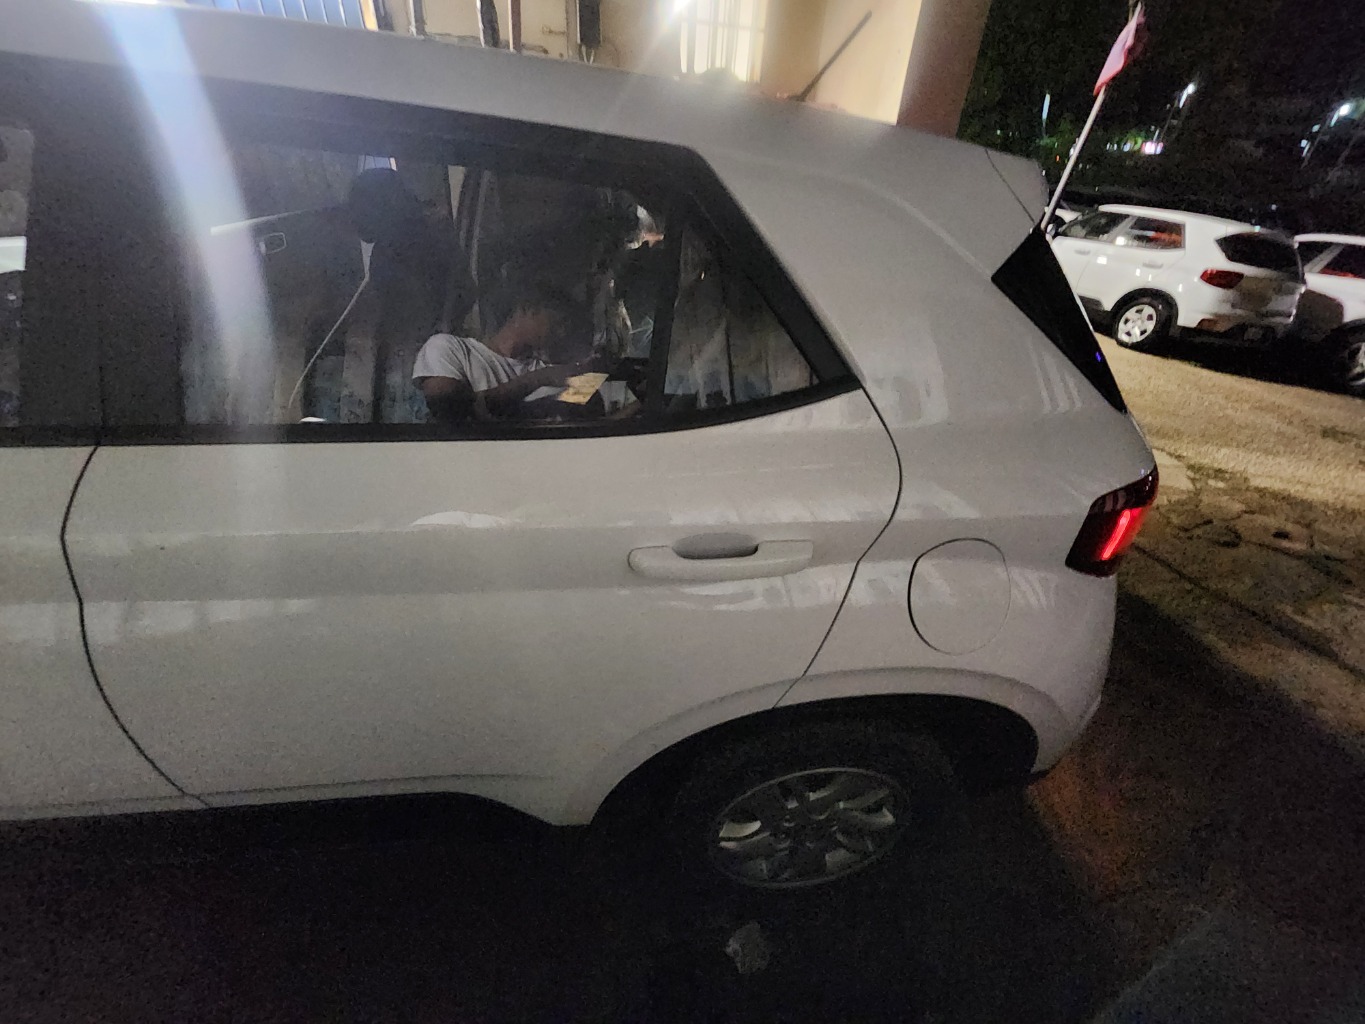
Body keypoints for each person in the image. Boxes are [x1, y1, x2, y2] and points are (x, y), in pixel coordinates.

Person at [413, 282, 594, 422]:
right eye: (558, 322)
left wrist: (593, 373)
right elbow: (448, 410)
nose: (562, 333)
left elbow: (589, 408)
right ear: (527, 308)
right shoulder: (450, 348)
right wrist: (537, 379)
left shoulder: (548, 372)